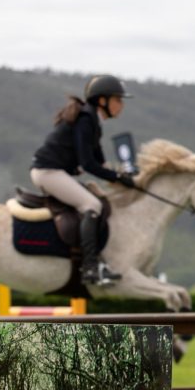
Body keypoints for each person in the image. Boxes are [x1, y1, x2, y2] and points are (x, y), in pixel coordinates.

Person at [31, 74, 136, 286]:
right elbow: (88, 164)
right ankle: (89, 267)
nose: (121, 105)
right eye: (118, 100)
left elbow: (100, 161)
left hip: (54, 172)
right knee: (92, 204)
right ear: (102, 100)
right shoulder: (86, 120)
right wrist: (117, 177)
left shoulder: (93, 121)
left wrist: (124, 177)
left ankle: (99, 263)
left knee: (100, 199)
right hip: (48, 172)